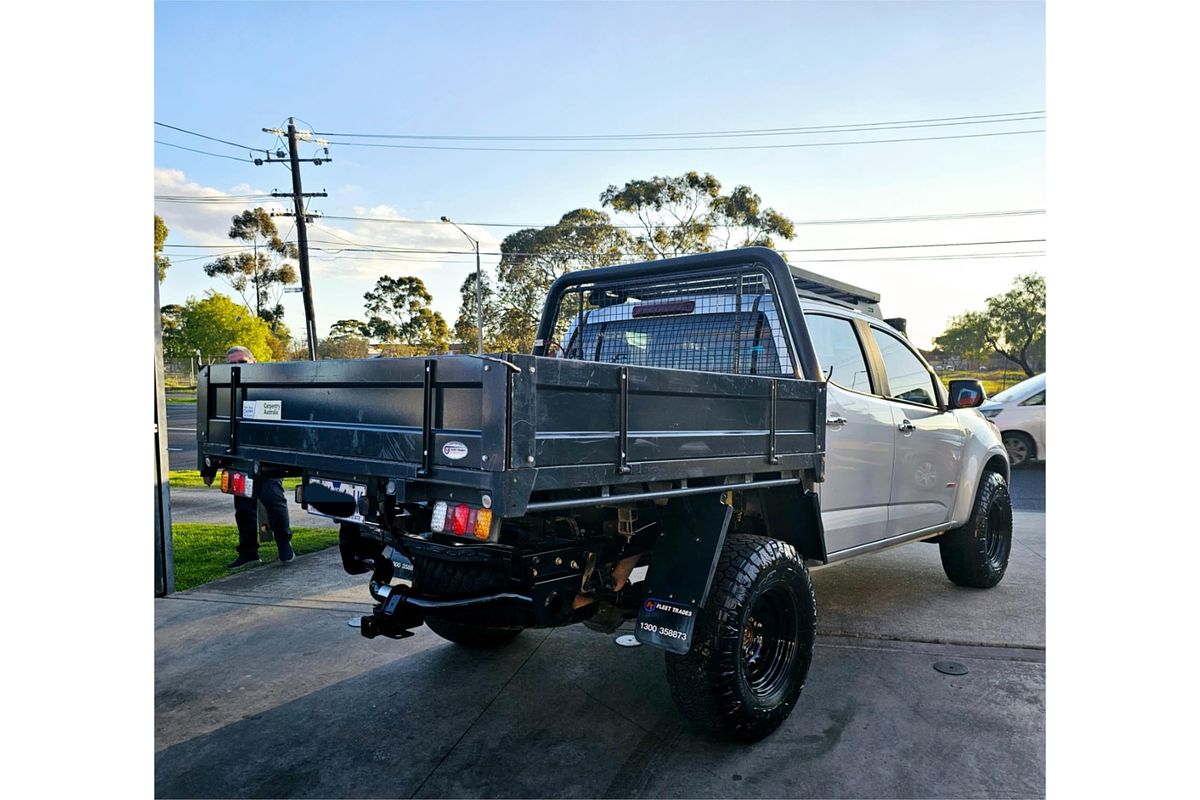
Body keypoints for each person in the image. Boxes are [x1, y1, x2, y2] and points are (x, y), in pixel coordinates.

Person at [224, 346, 295, 568]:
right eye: (233, 364)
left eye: (242, 362)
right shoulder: (226, 391)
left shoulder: (268, 386)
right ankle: (249, 552)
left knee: (273, 499)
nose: (238, 367)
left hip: (267, 455)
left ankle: (284, 544)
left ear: (253, 362)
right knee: (243, 507)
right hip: (240, 457)